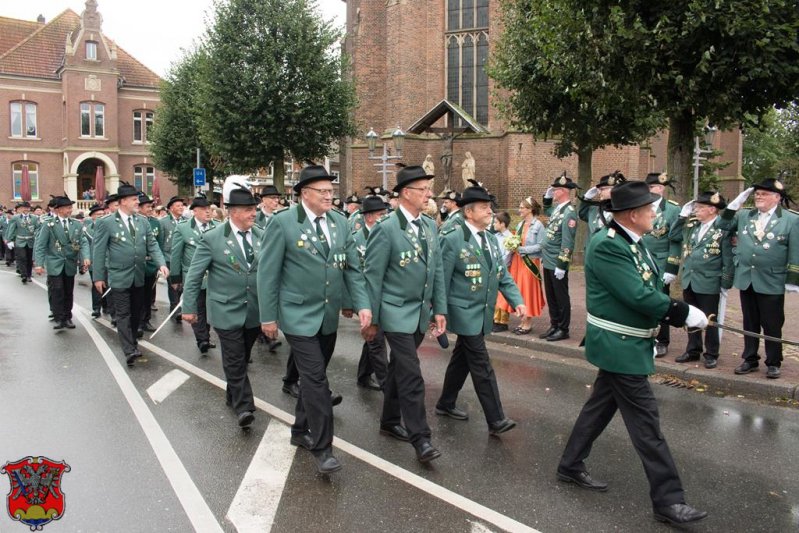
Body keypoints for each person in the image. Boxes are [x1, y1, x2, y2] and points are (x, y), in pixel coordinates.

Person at [557, 180, 709, 526]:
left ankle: (569, 464)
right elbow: (637, 295)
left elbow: (646, 287)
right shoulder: (608, 246)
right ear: (632, 215)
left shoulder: (632, 242)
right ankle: (669, 501)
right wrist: (682, 312)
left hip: (627, 344)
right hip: (619, 346)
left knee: (598, 409)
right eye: (650, 209)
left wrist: (678, 311)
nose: (655, 214)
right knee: (647, 425)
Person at [259, 165, 371, 473]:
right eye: (322, 191)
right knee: (317, 379)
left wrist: (361, 304)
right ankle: (323, 448)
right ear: (304, 194)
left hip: (327, 315)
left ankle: (299, 430)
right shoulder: (283, 222)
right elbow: (267, 273)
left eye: (331, 191)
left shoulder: (340, 222)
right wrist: (268, 317)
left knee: (312, 377)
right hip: (297, 314)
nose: (328, 196)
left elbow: (352, 268)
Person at [363, 165, 447, 464]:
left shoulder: (429, 226)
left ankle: (388, 421)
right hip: (395, 312)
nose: (429, 194)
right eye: (424, 189)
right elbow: (372, 277)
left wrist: (440, 309)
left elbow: (436, 270)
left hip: (419, 312)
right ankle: (421, 438)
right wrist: (372, 320)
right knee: (412, 374)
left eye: (428, 189)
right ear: (406, 193)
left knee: (400, 368)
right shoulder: (386, 228)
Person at [437, 185, 525, 435]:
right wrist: (438, 313)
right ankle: (496, 419)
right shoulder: (453, 238)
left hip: (481, 311)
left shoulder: (491, 239)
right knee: (481, 364)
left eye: (490, 208)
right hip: (463, 311)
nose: (490, 212)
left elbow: (501, 274)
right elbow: (441, 280)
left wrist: (517, 300)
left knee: (462, 359)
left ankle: (445, 403)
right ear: (469, 212)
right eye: (484, 208)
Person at [182, 186, 262, 428]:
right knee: (234, 357)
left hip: (254, 309)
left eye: (254, 209)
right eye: (248, 210)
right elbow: (194, 275)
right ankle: (244, 406)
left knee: (243, 355)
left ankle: (232, 393)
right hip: (225, 309)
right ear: (233, 212)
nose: (253, 213)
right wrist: (189, 307)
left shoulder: (262, 235)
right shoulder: (212, 238)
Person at [723, 178, 799, 379]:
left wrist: (793, 278)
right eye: (757, 193)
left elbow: (795, 250)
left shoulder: (790, 219)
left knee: (772, 323)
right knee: (750, 322)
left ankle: (773, 362)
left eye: (764, 194)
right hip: (747, 277)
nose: (758, 196)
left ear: (777, 197)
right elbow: (722, 225)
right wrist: (734, 205)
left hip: (771, 279)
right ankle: (750, 359)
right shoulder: (745, 215)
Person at [93, 183, 168, 366]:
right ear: (123, 201)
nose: (137, 202)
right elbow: (99, 251)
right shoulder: (106, 223)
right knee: (123, 314)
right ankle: (129, 350)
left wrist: (161, 263)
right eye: (134, 199)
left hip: (138, 275)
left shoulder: (142, 221)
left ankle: (132, 342)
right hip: (119, 276)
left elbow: (152, 244)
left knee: (136, 313)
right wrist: (99, 277)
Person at [667, 192, 734, 369]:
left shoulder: (722, 229)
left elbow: (727, 258)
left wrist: (726, 282)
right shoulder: (692, 226)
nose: (696, 210)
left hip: (709, 280)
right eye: (695, 207)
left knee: (710, 318)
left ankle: (711, 353)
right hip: (690, 279)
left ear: (712, 209)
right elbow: (673, 236)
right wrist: (682, 216)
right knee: (691, 316)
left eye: (700, 208)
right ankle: (693, 349)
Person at [33, 195, 90, 329]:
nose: (70, 210)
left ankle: (67, 317)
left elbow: (83, 242)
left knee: (68, 291)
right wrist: (39, 264)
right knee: (57, 290)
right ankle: (59, 317)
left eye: (70, 207)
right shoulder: (49, 225)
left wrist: (86, 257)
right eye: (67, 208)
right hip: (55, 263)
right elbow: (41, 245)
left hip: (70, 263)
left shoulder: (76, 224)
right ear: (58, 210)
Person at [172, 194, 219, 354]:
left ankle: (206, 335)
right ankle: (202, 339)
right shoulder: (183, 228)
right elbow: (176, 254)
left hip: (213, 277)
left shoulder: (218, 227)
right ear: (195, 211)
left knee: (209, 308)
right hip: (193, 276)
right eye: (204, 209)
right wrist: (175, 278)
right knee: (198, 308)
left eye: (209, 209)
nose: (208, 212)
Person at [352, 196, 390, 391]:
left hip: (384, 295)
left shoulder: (386, 234)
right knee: (376, 341)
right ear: (368, 217)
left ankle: (364, 375)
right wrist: (348, 303)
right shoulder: (356, 239)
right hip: (366, 297)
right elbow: (350, 272)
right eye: (381, 214)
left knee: (372, 339)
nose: (385, 217)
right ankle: (387, 385)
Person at [643, 172, 682, 357]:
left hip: (660, 263)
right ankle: (645, 335)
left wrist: (671, 268)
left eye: (652, 187)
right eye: (648, 187)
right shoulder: (642, 205)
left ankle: (662, 340)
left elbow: (675, 240)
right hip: (641, 260)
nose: (649, 190)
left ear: (661, 188)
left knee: (662, 301)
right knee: (642, 299)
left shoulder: (672, 210)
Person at [498, 197, 546, 334]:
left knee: (528, 291)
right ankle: (522, 320)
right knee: (519, 290)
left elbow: (541, 245)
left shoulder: (538, 225)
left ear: (530, 209)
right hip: (518, 262)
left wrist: (522, 249)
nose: (519, 210)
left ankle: (528, 323)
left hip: (530, 262)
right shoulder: (520, 224)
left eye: (521, 208)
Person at [541, 174, 578, 341]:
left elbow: (567, 242)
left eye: (555, 190)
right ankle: (554, 324)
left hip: (557, 260)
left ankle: (563, 328)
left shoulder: (569, 213)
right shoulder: (558, 209)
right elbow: (547, 210)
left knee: (560, 296)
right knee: (551, 296)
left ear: (563, 191)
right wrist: (547, 199)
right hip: (548, 259)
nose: (553, 192)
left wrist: (562, 264)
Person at [578, 171, 627, 245]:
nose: (599, 192)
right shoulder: (595, 209)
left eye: (602, 189)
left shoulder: (623, 211)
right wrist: (586, 198)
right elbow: (582, 213)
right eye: (598, 190)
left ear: (613, 190)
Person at [158, 196, 186, 322]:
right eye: (178, 205)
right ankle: (175, 309)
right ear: (171, 208)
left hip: (183, 258)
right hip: (169, 257)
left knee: (182, 285)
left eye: (182, 205)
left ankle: (177, 307)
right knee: (173, 285)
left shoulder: (186, 221)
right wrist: (161, 262)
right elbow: (160, 242)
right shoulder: (163, 222)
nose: (181, 207)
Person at [137, 194, 160, 335]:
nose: (150, 209)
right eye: (147, 207)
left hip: (151, 265)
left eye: (151, 207)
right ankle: (138, 322)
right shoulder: (136, 221)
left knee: (148, 295)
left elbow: (158, 243)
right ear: (139, 208)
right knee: (138, 295)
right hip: (138, 264)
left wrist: (159, 263)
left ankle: (146, 320)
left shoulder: (156, 223)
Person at [5, 201, 40, 283]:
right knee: (22, 257)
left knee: (29, 259)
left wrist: (36, 233)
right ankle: (24, 275)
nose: (26, 209)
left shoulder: (34, 218)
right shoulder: (16, 218)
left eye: (27, 208)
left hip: (31, 241)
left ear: (29, 209)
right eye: (24, 208)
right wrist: (9, 240)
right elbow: (11, 229)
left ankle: (28, 275)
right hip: (20, 241)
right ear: (21, 209)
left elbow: (38, 228)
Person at [491, 211, 513, 332]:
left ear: (503, 224)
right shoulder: (495, 236)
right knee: (495, 294)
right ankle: (494, 318)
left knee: (503, 295)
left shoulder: (509, 238)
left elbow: (506, 256)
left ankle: (502, 321)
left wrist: (498, 264)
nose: (493, 224)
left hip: (503, 268)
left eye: (495, 222)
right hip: (494, 268)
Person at [83, 203, 105, 317]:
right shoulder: (87, 230)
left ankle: (108, 306)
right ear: (92, 216)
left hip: (107, 261)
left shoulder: (108, 226)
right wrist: (85, 258)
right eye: (98, 214)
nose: (101, 216)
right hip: (94, 261)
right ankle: (96, 307)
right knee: (96, 284)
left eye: (102, 214)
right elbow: (84, 245)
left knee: (108, 284)